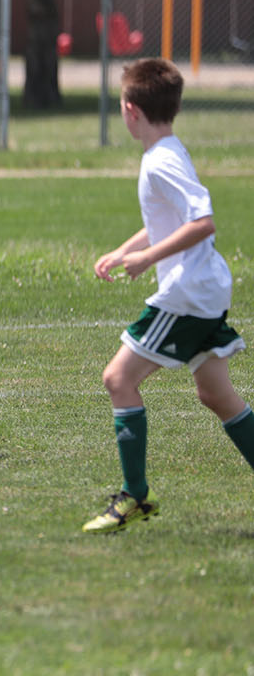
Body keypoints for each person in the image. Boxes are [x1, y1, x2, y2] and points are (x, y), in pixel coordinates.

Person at [84, 57, 254, 533]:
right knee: (216, 394)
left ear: (130, 110)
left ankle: (135, 495)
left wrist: (148, 258)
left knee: (118, 379)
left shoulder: (161, 160)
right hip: (206, 290)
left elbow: (202, 223)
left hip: (187, 294)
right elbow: (172, 218)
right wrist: (126, 250)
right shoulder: (168, 150)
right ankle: (136, 494)